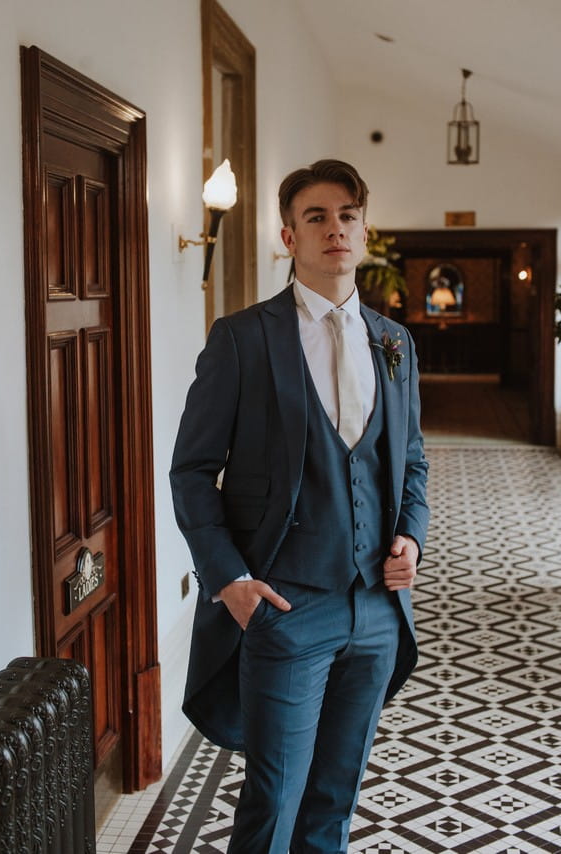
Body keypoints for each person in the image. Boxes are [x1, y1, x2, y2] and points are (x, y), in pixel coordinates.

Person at [170, 158, 429, 853]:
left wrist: (409, 537)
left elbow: (411, 463)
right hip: (285, 608)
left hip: (375, 609)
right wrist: (230, 583)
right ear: (289, 236)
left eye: (347, 215)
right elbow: (192, 471)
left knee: (336, 797)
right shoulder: (243, 338)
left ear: (364, 231)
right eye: (316, 216)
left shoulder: (395, 342)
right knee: (273, 800)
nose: (334, 228)